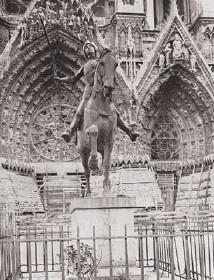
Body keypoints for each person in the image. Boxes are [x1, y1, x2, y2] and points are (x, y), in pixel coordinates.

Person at [55, 41, 140, 143]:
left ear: (94, 50)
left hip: (100, 91)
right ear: (85, 53)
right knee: (79, 112)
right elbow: (73, 79)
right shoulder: (84, 66)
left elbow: (108, 73)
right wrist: (61, 79)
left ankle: (129, 132)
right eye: (86, 48)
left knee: (115, 113)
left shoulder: (100, 63)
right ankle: (69, 132)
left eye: (90, 46)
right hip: (88, 93)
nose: (88, 48)